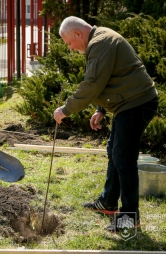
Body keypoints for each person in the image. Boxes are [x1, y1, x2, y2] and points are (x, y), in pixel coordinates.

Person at [54, 16, 158, 232]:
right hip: (128, 104)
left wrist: (65, 110)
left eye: (69, 43)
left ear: (78, 34)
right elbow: (113, 76)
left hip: (137, 104)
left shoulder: (101, 43)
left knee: (124, 159)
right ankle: (108, 202)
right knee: (115, 152)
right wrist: (101, 109)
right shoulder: (99, 40)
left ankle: (130, 218)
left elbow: (92, 84)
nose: (71, 48)